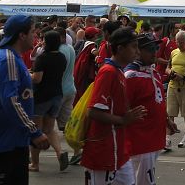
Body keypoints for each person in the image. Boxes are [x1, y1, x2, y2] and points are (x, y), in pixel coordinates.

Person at [0, 15, 49, 185]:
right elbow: (11, 101)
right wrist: (34, 132)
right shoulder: (7, 59)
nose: (35, 35)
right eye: (32, 32)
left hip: (12, 142)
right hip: (1, 145)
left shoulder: (14, 58)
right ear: (21, 35)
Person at [82, 27, 146, 185]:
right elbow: (93, 111)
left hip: (118, 150)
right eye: (133, 46)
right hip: (103, 151)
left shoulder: (118, 71)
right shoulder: (108, 72)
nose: (137, 52)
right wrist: (124, 120)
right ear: (120, 48)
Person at [125, 33, 167, 185]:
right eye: (150, 49)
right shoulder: (130, 76)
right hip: (140, 141)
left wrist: (167, 120)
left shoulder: (152, 71)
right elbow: (121, 108)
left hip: (154, 138)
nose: (155, 52)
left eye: (156, 48)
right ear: (137, 51)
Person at [29, 29, 68, 172]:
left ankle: (34, 164)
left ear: (47, 42)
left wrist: (29, 75)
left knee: (36, 131)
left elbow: (37, 79)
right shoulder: (62, 57)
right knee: (50, 129)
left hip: (41, 97)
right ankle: (60, 152)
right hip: (57, 95)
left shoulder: (42, 58)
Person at [56, 27, 76, 131]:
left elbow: (59, 70)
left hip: (60, 90)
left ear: (62, 37)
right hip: (70, 88)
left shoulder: (60, 50)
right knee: (64, 125)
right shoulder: (70, 48)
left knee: (49, 122)